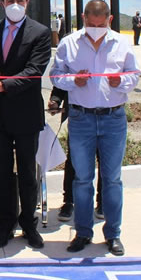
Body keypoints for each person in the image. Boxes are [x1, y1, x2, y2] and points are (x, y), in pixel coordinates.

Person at [51, 0, 139, 256]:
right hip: (81, 119)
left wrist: (119, 82)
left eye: (101, 25)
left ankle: (113, 234)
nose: (96, 28)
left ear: (110, 20)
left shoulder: (122, 43)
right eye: (91, 24)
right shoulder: (69, 43)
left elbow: (134, 73)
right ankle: (83, 232)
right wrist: (73, 80)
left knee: (112, 179)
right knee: (82, 179)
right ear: (83, 18)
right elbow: (56, 75)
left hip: (113, 119)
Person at [0, 0, 51, 249]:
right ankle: (6, 223)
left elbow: (34, 71)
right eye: (10, 0)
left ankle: (28, 224)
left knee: (28, 174)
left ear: (28, 2)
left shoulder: (40, 33)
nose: (15, 4)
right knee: (1, 172)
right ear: (2, 3)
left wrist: (3, 86)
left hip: (26, 114)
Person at [48, 87, 103, 222]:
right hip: (79, 116)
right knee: (73, 160)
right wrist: (56, 100)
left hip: (106, 116)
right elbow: (64, 78)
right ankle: (68, 202)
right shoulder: (74, 64)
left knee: (105, 160)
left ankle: (102, 202)